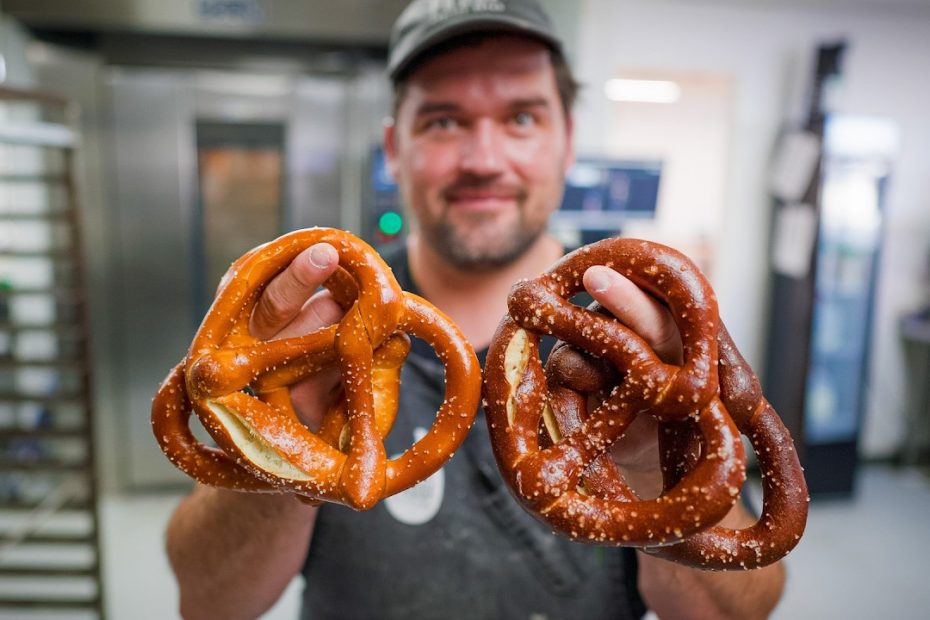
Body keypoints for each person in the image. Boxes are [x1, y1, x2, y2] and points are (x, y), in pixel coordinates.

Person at [165, 1, 786, 618]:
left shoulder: (640, 343)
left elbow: (736, 613)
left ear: (567, 142)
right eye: (442, 121)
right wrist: (280, 445)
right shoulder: (321, 322)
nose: (483, 159)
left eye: (521, 117)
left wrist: (654, 461)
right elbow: (210, 602)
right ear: (394, 148)